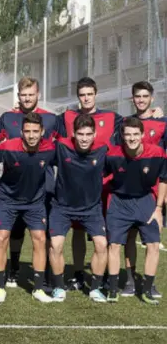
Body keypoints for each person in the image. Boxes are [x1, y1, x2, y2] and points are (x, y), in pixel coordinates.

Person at [0, 77, 58, 289]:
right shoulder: (8, 118)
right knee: (14, 231)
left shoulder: (53, 119)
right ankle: (14, 267)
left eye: (31, 94)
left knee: (43, 234)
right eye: (23, 95)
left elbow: (68, 141)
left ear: (39, 95)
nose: (27, 99)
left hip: (43, 185)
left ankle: (44, 276)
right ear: (18, 96)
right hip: (14, 185)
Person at [57, 77, 122, 292]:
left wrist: (154, 113)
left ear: (96, 94)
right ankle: (76, 274)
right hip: (76, 186)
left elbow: (134, 128)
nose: (86, 98)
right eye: (82, 95)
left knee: (104, 235)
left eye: (89, 94)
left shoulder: (112, 117)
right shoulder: (67, 116)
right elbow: (42, 123)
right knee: (77, 233)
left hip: (102, 186)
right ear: (78, 97)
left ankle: (101, 276)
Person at [104, 117, 167, 304]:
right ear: (122, 136)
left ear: (143, 135)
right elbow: (102, 176)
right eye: (127, 134)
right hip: (119, 202)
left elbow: (163, 179)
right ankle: (113, 289)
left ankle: (147, 289)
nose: (131, 138)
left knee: (153, 244)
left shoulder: (157, 153)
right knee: (114, 245)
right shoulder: (113, 155)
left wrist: (158, 209)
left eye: (135, 134)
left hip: (146, 201)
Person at [48, 114, 108, 302]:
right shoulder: (61, 146)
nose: (84, 138)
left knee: (101, 245)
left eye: (88, 134)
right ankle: (58, 287)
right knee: (56, 245)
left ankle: (95, 289)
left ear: (94, 134)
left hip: (91, 209)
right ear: (73, 133)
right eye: (80, 134)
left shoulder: (104, 150)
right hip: (62, 207)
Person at [124, 81, 167, 298]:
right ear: (132, 99)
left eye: (144, 96)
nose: (140, 100)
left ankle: (150, 283)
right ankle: (130, 281)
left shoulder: (162, 123)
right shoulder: (126, 123)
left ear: (151, 98)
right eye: (137, 96)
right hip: (130, 189)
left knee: (153, 237)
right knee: (130, 236)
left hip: (154, 190)